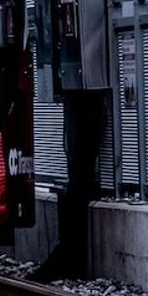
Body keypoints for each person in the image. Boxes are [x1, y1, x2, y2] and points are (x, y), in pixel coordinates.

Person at [29, 89, 106, 282]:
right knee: (77, 176)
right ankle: (68, 257)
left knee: (78, 172)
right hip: (83, 103)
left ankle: (67, 257)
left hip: (84, 104)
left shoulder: (85, 105)